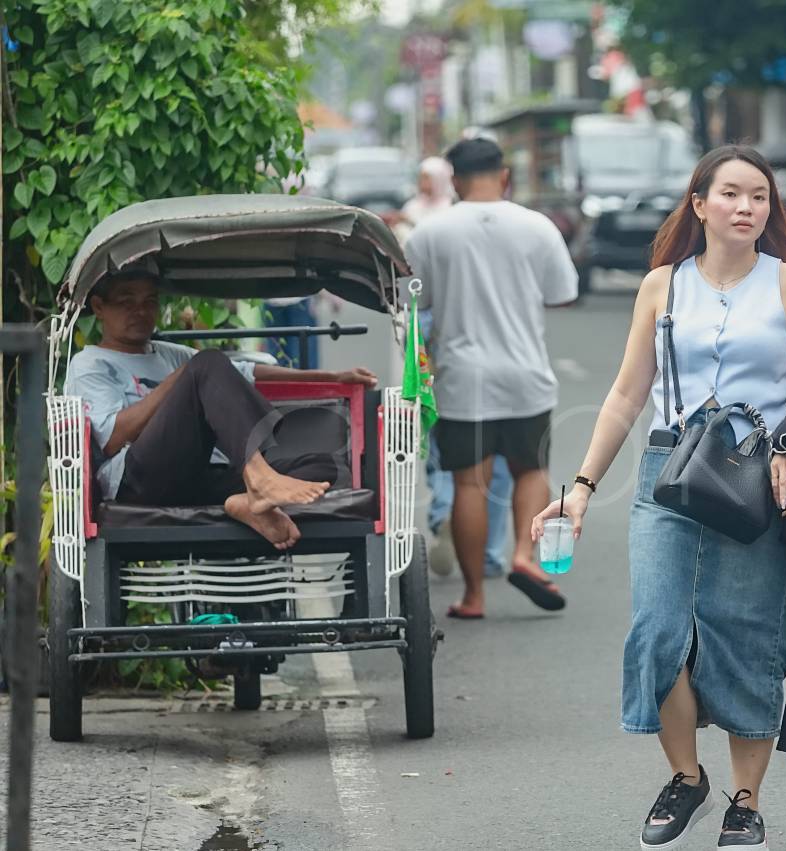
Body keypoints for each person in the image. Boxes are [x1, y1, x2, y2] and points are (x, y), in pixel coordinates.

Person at [532, 145, 786, 851]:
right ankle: (686, 776)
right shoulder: (661, 286)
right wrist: (580, 486)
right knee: (658, 631)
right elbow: (627, 392)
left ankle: (747, 801)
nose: (745, 207)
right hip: (670, 471)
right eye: (730, 194)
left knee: (751, 635)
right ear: (699, 204)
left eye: (758, 197)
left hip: (758, 475)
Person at [65, 272, 379, 550]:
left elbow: (244, 371)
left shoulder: (168, 354)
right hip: (138, 480)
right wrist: (180, 379)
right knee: (205, 363)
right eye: (126, 302)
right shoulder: (90, 363)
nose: (141, 311)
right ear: (99, 308)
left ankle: (242, 499)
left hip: (200, 478)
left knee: (325, 468)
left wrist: (334, 377)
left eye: (150, 301)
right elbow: (111, 438)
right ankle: (260, 482)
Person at [403, 137, 578, 619]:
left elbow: (415, 302)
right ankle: (523, 555)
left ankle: (473, 596)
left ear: (454, 180)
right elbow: (562, 293)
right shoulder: (537, 227)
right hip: (525, 373)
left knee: (469, 485)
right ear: (505, 176)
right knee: (531, 470)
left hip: (462, 378)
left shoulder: (429, 234)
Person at [392, 155, 515, 581]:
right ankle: (492, 554)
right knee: (497, 458)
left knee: (447, 447)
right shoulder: (508, 228)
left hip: (446, 350)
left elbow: (406, 293)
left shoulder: (423, 227)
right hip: (507, 356)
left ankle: (446, 512)